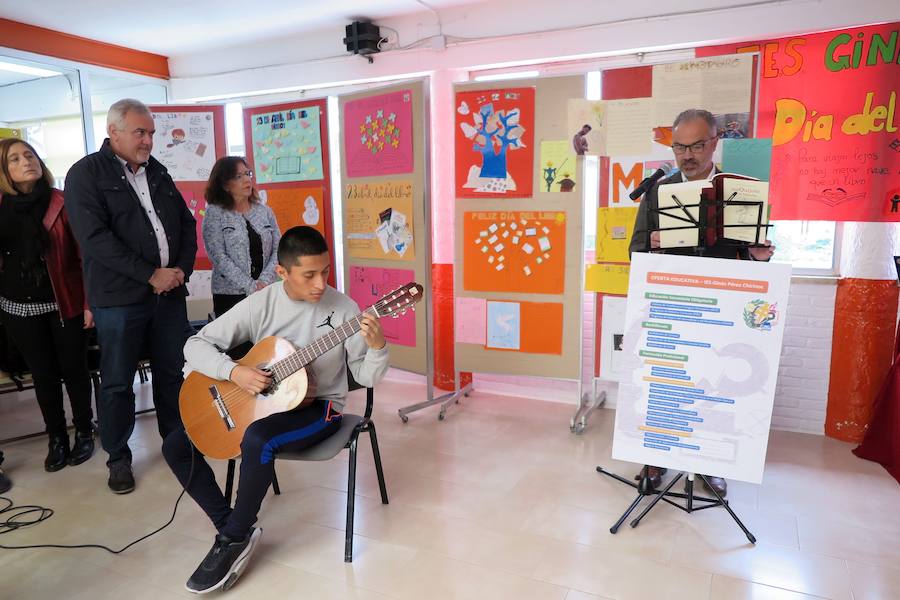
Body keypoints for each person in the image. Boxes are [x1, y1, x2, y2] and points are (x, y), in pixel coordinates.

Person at [162, 226, 389, 594]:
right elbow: (196, 345)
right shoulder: (262, 302)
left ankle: (232, 541)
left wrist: (377, 347)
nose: (320, 283)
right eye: (309, 275)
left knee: (257, 439)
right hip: (266, 403)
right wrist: (235, 371)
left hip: (321, 408)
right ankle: (232, 526)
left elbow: (364, 374)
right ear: (283, 272)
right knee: (175, 444)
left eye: (326, 271)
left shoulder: (345, 309)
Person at [629, 108, 775, 498]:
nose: (687, 154)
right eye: (679, 146)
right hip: (672, 305)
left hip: (721, 309)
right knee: (663, 386)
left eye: (696, 145)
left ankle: (709, 463)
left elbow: (752, 253)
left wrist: (759, 256)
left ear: (714, 142)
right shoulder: (657, 191)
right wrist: (651, 243)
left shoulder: (740, 189)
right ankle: (655, 458)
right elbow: (636, 249)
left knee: (715, 386)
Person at [64, 99, 197, 494]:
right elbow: (94, 239)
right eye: (140, 132)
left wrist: (180, 271)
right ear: (114, 132)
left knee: (173, 374)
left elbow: (186, 225)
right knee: (118, 382)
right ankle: (118, 457)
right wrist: (149, 274)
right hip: (120, 301)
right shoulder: (86, 174)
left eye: (152, 133)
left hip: (169, 296)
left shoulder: (157, 172)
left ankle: (178, 446)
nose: (148, 141)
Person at [0, 138, 95, 472]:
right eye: (15, 159)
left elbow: (85, 258)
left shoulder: (62, 202)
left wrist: (89, 303)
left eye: (30, 155)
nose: (27, 161)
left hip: (63, 304)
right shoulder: (1, 207)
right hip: (16, 308)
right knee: (43, 377)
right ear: (4, 172)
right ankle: (56, 437)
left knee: (75, 372)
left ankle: (84, 431)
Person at [202, 157, 281, 319]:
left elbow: (278, 248)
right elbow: (218, 256)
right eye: (239, 176)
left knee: (266, 341)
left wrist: (264, 282)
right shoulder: (215, 212)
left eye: (248, 174)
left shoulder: (264, 211)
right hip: (230, 295)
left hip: (266, 290)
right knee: (238, 343)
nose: (247, 180)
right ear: (225, 185)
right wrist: (250, 286)